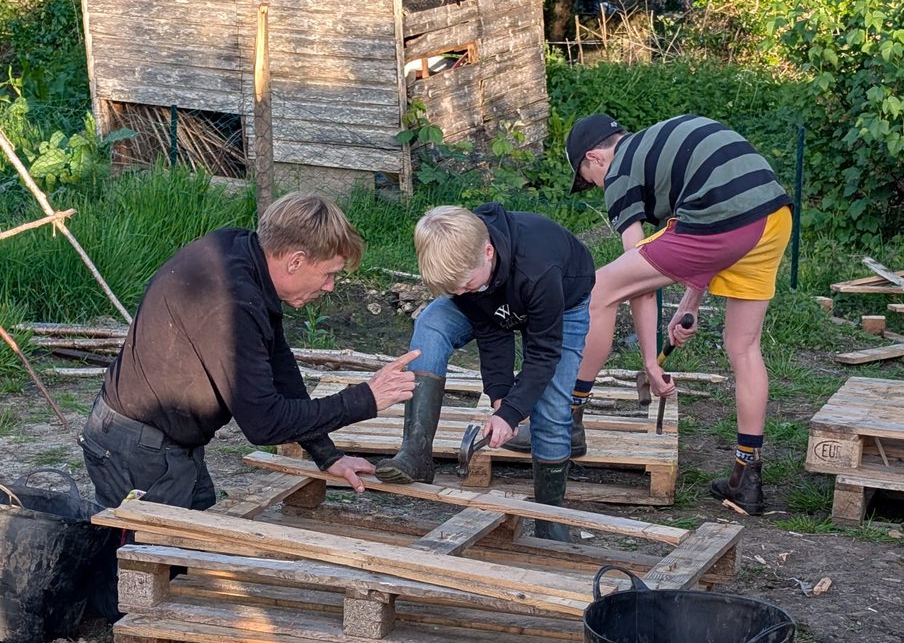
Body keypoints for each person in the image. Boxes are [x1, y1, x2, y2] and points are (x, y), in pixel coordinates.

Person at [79, 192, 418, 512]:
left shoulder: (240, 253)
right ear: (296, 261)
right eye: (328, 274)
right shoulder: (230, 303)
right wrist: (364, 399)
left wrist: (326, 454)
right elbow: (264, 424)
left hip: (165, 439)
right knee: (148, 551)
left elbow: (280, 367)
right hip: (138, 446)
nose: (329, 286)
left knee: (193, 542)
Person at [565, 113, 793, 515]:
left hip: (724, 217)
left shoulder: (619, 169)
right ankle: (746, 478)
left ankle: (567, 419)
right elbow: (698, 226)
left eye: (588, 179)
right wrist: (689, 306)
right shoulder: (657, 148)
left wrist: (651, 364)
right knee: (743, 346)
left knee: (598, 291)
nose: (597, 187)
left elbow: (638, 274)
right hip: (774, 216)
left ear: (594, 158)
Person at [375, 203, 595, 539]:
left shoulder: (539, 267)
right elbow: (492, 329)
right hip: (498, 291)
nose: (460, 293)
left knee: (551, 409)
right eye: (454, 290)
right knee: (431, 324)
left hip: (561, 302)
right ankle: (416, 453)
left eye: (464, 285)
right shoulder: (465, 271)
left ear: (488, 252)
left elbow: (543, 354)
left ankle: (550, 521)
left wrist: (513, 413)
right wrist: (500, 397)